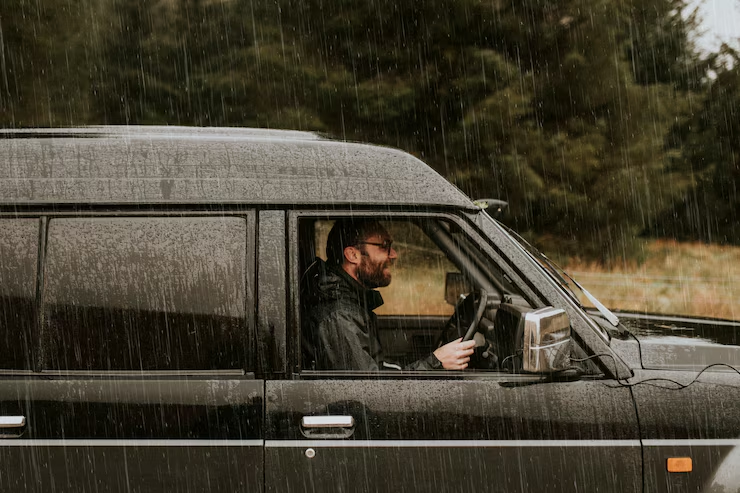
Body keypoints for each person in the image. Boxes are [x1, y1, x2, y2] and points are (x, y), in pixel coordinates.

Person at [301, 218, 476, 371]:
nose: (394, 254)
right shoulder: (338, 315)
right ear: (352, 254)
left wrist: (432, 361)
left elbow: (377, 371)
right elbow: (369, 392)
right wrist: (435, 363)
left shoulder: (350, 303)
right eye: (385, 246)